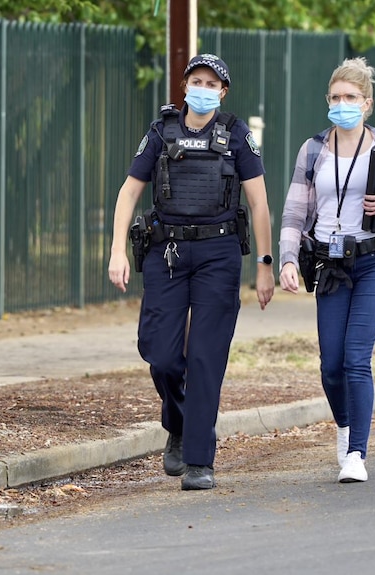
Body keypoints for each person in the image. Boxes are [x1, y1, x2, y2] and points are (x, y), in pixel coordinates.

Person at [108, 54, 275, 490]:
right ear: (184, 86)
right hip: (166, 251)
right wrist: (117, 251)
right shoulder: (161, 131)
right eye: (195, 80)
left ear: (223, 92)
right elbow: (129, 192)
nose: (203, 88)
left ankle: (200, 460)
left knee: (204, 358)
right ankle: (179, 425)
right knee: (161, 355)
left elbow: (258, 203)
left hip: (218, 254)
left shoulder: (237, 134)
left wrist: (264, 264)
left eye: (212, 83)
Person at [278, 57, 375, 483]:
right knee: (331, 364)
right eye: (336, 97)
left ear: (367, 103)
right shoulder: (313, 150)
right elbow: (293, 213)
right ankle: (344, 427)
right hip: (330, 264)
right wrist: (288, 259)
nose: (342, 104)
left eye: (351, 97)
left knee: (356, 358)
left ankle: (357, 454)